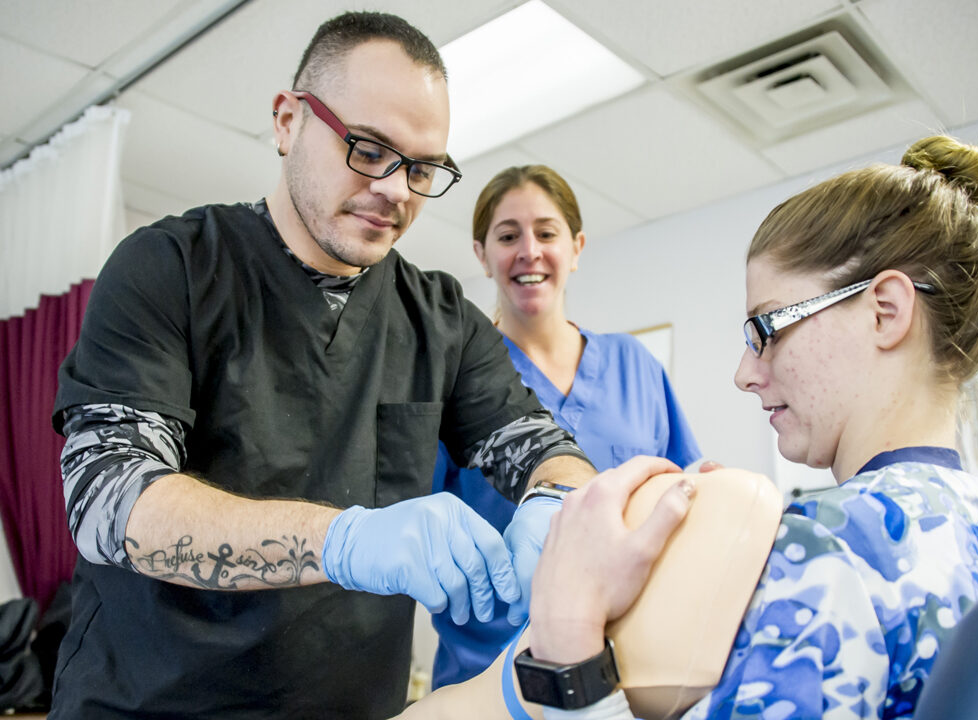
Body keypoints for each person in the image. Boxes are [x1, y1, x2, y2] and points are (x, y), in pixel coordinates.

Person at [49, 12, 598, 719]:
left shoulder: (440, 320)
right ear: (287, 122)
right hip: (151, 702)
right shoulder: (172, 268)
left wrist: (555, 503)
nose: (398, 190)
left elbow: (546, 448)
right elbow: (109, 501)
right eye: (369, 149)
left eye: (423, 168)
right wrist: (345, 541)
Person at [402, 135, 978, 719]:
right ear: (481, 254)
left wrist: (572, 652)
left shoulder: (824, 557)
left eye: (767, 327)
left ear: (885, 311)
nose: (744, 373)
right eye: (507, 235)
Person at [431, 165, 701, 688]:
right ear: (481, 255)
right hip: (487, 677)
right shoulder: (455, 381)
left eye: (547, 233)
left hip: (630, 663)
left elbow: (684, 488)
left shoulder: (632, 363)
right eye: (507, 235)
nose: (529, 250)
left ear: (576, 247)